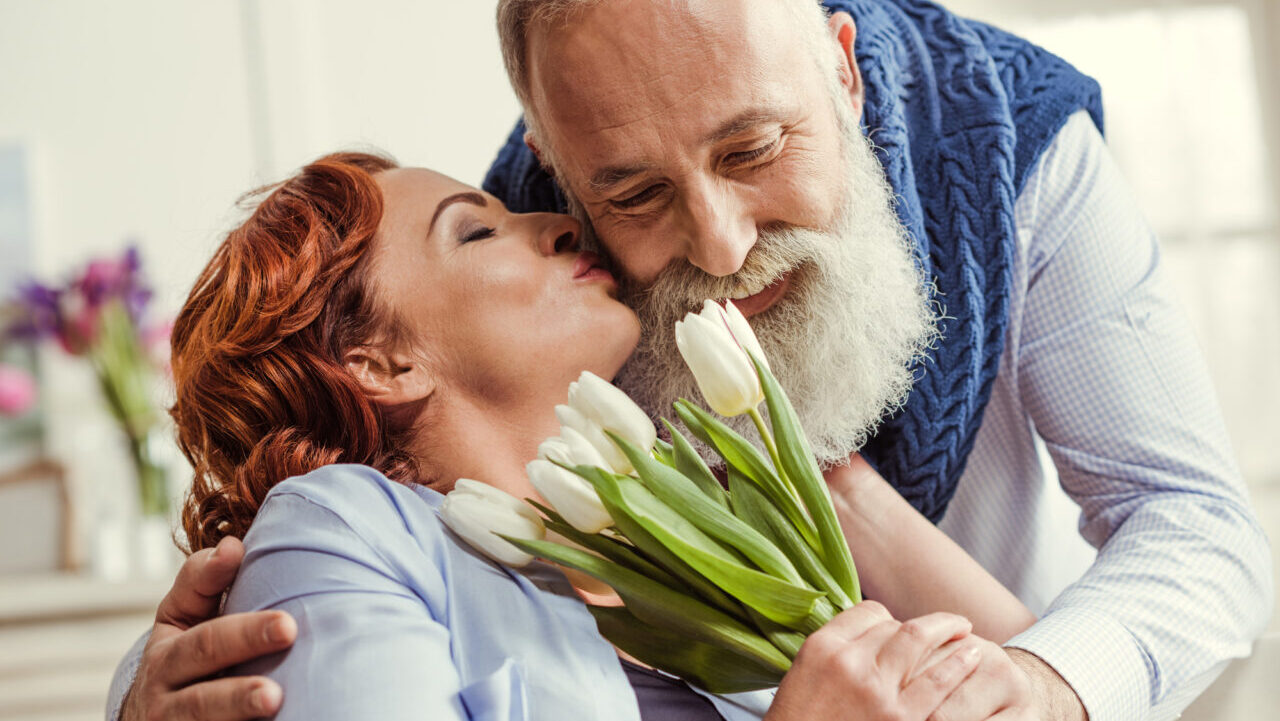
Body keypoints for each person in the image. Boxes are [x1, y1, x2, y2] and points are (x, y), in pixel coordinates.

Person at [110, 0, 1274, 719]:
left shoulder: (1013, 142)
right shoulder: (549, 294)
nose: (717, 244)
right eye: (629, 193)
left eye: (755, 145)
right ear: (560, 166)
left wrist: (1043, 682)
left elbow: (1194, 529)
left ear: (842, 68)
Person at [115, 150, 1037, 721]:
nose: (559, 223)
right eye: (478, 232)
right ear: (381, 361)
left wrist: (818, 473)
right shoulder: (338, 529)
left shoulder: (673, 544)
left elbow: (1037, 674)